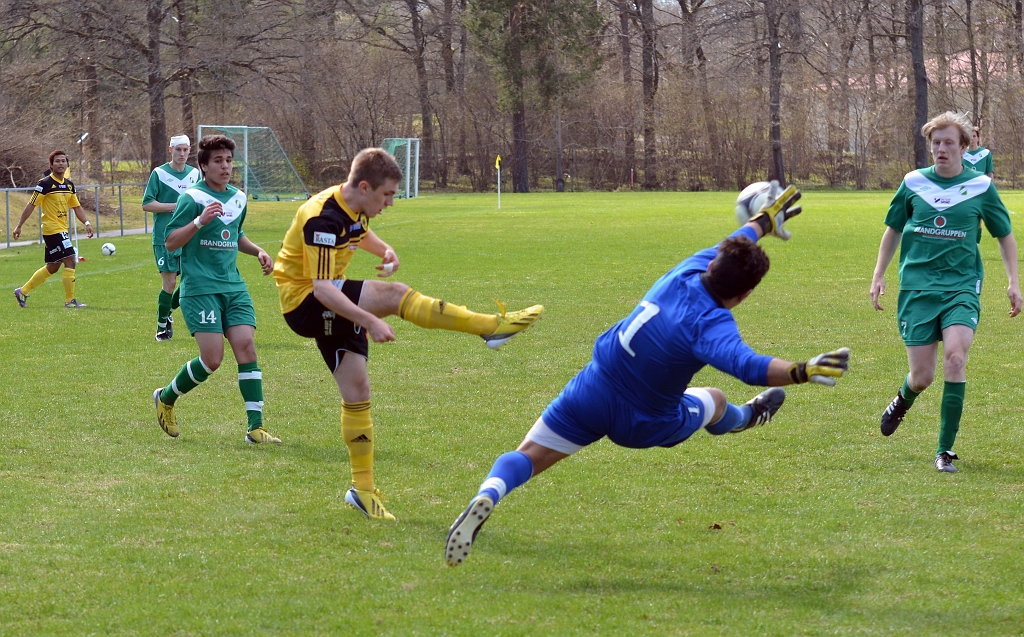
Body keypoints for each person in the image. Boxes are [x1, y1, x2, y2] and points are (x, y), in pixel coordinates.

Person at [445, 186, 851, 566]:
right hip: (645, 421)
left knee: (529, 454)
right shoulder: (712, 324)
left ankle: (489, 492)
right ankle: (748, 417)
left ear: (713, 262)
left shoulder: (686, 271)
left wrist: (763, 221)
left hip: (594, 388)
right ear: (744, 296)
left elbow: (736, 239)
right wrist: (802, 370)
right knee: (715, 399)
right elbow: (749, 366)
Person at [273, 148, 545, 522]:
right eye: (386, 195)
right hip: (305, 302)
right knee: (395, 295)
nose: (390, 203)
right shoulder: (322, 217)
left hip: (327, 297)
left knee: (357, 392)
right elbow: (321, 289)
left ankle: (361, 491)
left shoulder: (353, 206)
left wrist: (385, 249)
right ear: (364, 187)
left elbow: (358, 232)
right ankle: (490, 327)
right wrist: (369, 320)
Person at [871, 111, 1021, 473]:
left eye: (948, 143)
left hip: (961, 287)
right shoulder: (913, 183)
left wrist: (1014, 282)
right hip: (917, 288)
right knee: (922, 377)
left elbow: (1004, 235)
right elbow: (893, 230)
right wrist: (879, 274)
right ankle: (903, 398)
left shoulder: (981, 187)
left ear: (963, 147)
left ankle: (945, 450)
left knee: (955, 358)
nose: (941, 149)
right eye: (936, 143)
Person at [153, 135, 280, 445]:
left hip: (233, 287)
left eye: (229, 161)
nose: (225, 166)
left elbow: (235, 235)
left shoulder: (239, 198)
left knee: (246, 347)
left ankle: (255, 427)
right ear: (204, 166)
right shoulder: (192, 198)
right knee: (212, 359)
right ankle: (166, 397)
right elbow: (171, 242)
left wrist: (258, 251)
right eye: (218, 161)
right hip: (200, 288)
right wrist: (199, 221)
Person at [12, 150, 94, 308]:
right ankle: (70, 301)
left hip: (62, 229)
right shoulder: (45, 184)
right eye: (57, 161)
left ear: (67, 164)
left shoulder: (69, 185)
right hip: (52, 229)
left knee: (53, 266)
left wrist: (87, 223)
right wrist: (19, 225)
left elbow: (76, 207)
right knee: (71, 260)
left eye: (63, 161)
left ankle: (23, 291)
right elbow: (31, 204)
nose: (61, 163)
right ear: (51, 165)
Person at [142, 134, 200, 341]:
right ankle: (161, 327)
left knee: (191, 280)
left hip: (189, 236)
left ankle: (168, 311)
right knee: (170, 282)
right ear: (170, 150)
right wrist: (174, 206)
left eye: (185, 150)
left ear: (189, 150)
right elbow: (147, 204)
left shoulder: (195, 174)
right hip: (164, 237)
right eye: (178, 150)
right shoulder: (159, 174)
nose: (182, 154)